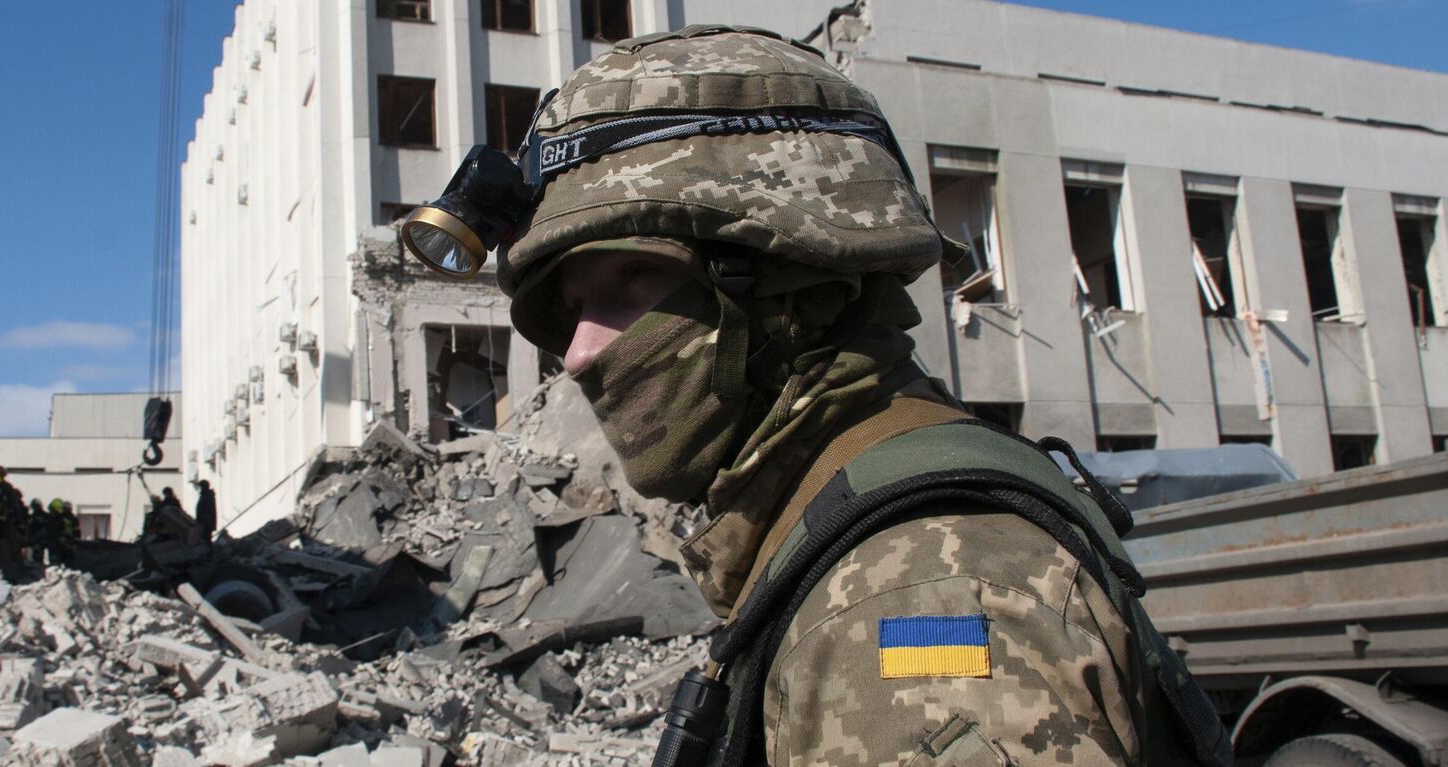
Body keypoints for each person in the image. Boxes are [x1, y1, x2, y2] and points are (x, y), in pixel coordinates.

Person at [407, 27, 1228, 766]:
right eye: (573, 306)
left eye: (634, 279)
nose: (581, 351)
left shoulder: (910, 598)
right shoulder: (851, 528)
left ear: (799, 292)